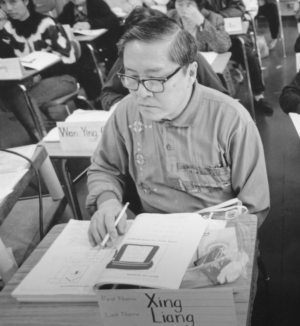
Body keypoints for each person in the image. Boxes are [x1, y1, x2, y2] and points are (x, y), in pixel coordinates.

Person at [86, 15, 269, 246]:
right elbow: (104, 168)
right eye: (131, 77)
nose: (141, 93)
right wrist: (107, 201)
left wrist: (222, 243)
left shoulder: (231, 121)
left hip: (215, 238)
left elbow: (253, 207)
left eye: (155, 79)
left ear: (191, 73)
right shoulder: (126, 112)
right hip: (148, 236)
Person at [100, 6, 229, 111]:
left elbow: (222, 99)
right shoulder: (130, 58)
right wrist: (123, 106)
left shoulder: (189, 54)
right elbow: (108, 92)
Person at [0, 0, 77, 143]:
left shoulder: (47, 23)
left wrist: (39, 74)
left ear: (25, 1)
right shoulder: (7, 28)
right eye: (3, 3)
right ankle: (44, 138)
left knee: (20, 100)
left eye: (13, 2)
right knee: (16, 97)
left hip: (62, 79)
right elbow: (6, 64)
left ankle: (44, 141)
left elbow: (68, 59)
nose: (8, 8)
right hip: (26, 84)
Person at [198, 0, 275, 114]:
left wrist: (216, 15)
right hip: (204, 38)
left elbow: (239, 8)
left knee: (249, 55)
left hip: (232, 34)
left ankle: (258, 94)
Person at [57, 0, 121, 72]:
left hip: (100, 41)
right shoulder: (69, 7)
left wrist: (90, 24)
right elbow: (60, 22)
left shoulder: (97, 3)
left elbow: (113, 20)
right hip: (80, 41)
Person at [167, 0, 231, 52]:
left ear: (198, 5)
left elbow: (223, 47)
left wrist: (202, 23)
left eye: (189, 5)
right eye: (180, 5)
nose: (184, 10)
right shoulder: (170, 17)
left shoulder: (214, 18)